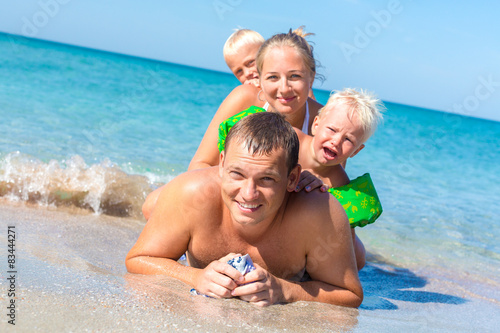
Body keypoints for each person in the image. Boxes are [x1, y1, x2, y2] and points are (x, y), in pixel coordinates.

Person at [126, 112, 363, 308]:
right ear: (221, 164)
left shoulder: (320, 212)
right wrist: (194, 276)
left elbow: (349, 295)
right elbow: (138, 259)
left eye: (267, 179)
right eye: (237, 174)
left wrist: (285, 290)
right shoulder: (190, 192)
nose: (249, 193)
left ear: (292, 178)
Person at [142, 28, 323, 219]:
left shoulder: (323, 121)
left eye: (295, 76)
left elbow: (334, 181)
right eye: (273, 77)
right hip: (238, 194)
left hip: (279, 206)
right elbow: (199, 164)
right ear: (261, 77)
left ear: (310, 76)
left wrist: (317, 182)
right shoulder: (244, 97)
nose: (284, 88)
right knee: (154, 205)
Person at [216, 88, 385, 270]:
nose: (336, 141)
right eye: (332, 129)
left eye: (348, 140)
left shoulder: (339, 184)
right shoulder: (287, 141)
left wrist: (324, 200)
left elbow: (352, 258)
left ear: (357, 150)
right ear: (316, 124)